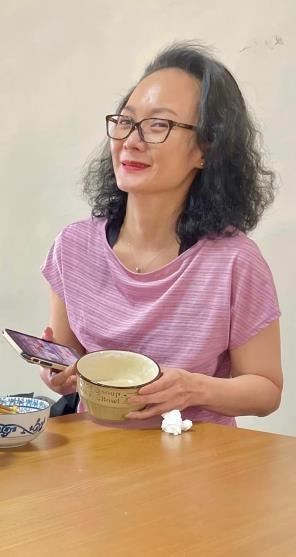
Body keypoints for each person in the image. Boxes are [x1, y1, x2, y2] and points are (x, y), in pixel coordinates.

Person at [40, 42, 283, 427]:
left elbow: (266, 391)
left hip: (197, 456)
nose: (131, 141)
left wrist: (195, 389)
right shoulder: (73, 248)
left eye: (158, 125)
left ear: (205, 150)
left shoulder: (235, 261)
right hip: (95, 453)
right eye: (125, 121)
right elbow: (68, 365)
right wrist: (55, 373)